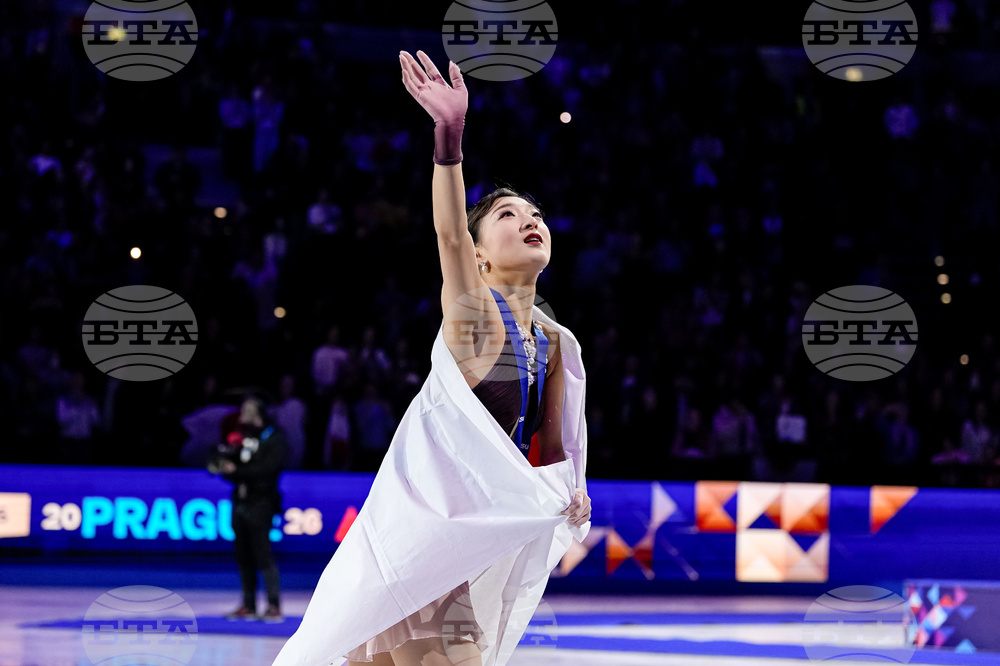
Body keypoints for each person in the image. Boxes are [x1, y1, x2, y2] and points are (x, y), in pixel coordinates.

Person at [273, 50, 592, 666]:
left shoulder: (556, 344)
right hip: (421, 534)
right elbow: (448, 233)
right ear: (479, 259)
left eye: (535, 215)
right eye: (507, 215)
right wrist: (449, 140)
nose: (529, 220)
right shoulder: (476, 318)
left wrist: (571, 492)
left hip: (467, 542)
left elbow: (551, 453)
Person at [209, 395, 289, 622]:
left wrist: (237, 470)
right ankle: (249, 605)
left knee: (263, 554)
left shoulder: (275, 439)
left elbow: (266, 471)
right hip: (241, 503)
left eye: (247, 409)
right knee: (243, 555)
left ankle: (274, 606)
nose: (242, 413)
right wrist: (225, 466)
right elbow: (235, 465)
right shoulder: (244, 437)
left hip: (261, 504)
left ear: (258, 413)